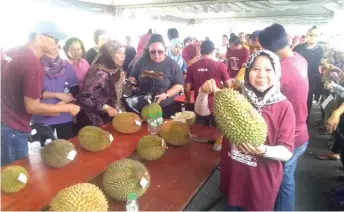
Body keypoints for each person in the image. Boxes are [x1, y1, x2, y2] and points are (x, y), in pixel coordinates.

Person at [195, 50, 295, 210]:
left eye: (268, 70)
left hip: (261, 183)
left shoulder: (284, 106)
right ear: (248, 71)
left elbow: (287, 151)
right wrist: (202, 93)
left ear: (277, 73)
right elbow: (202, 112)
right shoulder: (235, 95)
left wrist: (263, 150)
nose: (261, 75)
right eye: (255, 69)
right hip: (234, 176)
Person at [1, 20, 80, 166]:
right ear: (39, 37)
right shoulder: (32, 64)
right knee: (15, 171)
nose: (57, 44)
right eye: (55, 39)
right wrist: (68, 108)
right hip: (13, 128)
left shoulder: (12, 52)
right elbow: (32, 107)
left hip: (5, 121)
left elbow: (17, 88)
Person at [259, 23, 309, 211]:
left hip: (290, 138)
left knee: (283, 182)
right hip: (301, 131)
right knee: (286, 179)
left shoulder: (281, 73)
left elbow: (260, 95)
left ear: (267, 49)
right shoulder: (299, 58)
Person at [129, 34, 184, 118]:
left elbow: (179, 85)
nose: (156, 55)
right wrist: (131, 82)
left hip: (164, 107)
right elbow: (133, 78)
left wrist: (166, 94)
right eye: (153, 52)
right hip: (143, 105)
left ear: (165, 50)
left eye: (160, 52)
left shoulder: (172, 65)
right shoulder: (141, 62)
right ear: (148, 51)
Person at [76, 40, 126, 130]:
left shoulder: (116, 68)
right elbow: (83, 97)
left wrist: (124, 82)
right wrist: (105, 107)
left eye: (124, 53)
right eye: (119, 53)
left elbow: (116, 93)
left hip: (111, 114)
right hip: (94, 117)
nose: (123, 56)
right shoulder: (98, 73)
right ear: (109, 55)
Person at [31, 47, 78, 140]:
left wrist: (62, 104)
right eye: (50, 46)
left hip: (64, 116)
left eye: (56, 46)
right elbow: (31, 93)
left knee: (67, 149)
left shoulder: (66, 66)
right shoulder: (34, 66)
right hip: (41, 117)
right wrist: (57, 94)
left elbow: (75, 89)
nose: (54, 49)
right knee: (43, 150)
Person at [185, 39, 231, 126]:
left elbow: (187, 89)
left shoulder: (192, 67)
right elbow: (229, 86)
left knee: (201, 133)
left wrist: (188, 100)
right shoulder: (220, 65)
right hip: (216, 105)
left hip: (199, 103)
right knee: (216, 132)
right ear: (213, 51)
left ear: (200, 51)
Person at [294, 26, 324, 122]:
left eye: (316, 36)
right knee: (296, 98)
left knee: (308, 99)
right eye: (311, 35)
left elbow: (320, 63)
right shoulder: (298, 48)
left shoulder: (320, 49)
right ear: (307, 35)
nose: (313, 37)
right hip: (298, 78)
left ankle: (304, 120)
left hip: (311, 79)